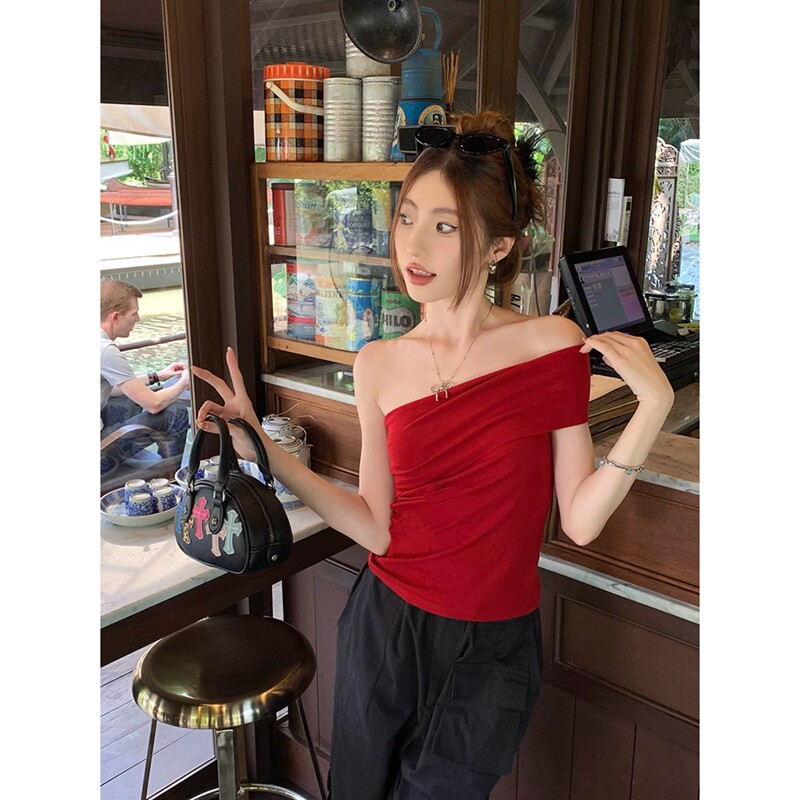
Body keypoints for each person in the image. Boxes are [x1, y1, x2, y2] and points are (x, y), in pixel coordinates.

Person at [192, 111, 674, 800]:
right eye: (407, 217)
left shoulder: (551, 345)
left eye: (445, 226)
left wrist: (653, 406)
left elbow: (581, 520)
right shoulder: (378, 362)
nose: (413, 245)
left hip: (493, 649)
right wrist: (263, 448)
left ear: (500, 245)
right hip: (386, 625)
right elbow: (376, 524)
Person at [100, 278, 190, 465]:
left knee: (129, 400)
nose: (138, 319)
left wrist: (157, 376)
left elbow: (114, 388)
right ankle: (170, 474)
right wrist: (184, 383)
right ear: (115, 317)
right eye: (134, 314)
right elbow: (154, 404)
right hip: (100, 453)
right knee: (176, 412)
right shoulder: (105, 350)